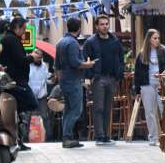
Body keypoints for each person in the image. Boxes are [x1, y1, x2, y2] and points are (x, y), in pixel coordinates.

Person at [85, 13, 126, 146]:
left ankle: (106, 135)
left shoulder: (115, 41)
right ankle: (100, 135)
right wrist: (90, 77)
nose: (105, 26)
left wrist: (119, 74)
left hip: (112, 78)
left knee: (108, 108)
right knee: (98, 107)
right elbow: (86, 59)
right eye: (102, 24)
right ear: (97, 26)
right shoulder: (91, 42)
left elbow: (121, 58)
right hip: (98, 78)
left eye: (107, 24)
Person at [0, 16, 39, 150]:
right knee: (31, 103)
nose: (24, 32)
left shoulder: (8, 39)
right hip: (16, 82)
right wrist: (32, 57)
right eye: (23, 29)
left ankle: (18, 139)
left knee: (17, 110)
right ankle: (16, 136)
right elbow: (20, 61)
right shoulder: (11, 40)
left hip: (13, 81)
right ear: (17, 27)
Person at [56, 17, 94, 148]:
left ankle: (66, 136)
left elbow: (57, 65)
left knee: (68, 110)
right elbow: (76, 63)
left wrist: (60, 80)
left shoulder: (60, 42)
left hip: (64, 80)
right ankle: (67, 137)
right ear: (79, 28)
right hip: (73, 80)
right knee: (76, 110)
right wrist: (89, 64)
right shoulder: (72, 43)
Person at [134, 28, 165, 146]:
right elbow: (137, 73)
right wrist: (137, 91)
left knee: (163, 109)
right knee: (149, 111)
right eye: (154, 38)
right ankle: (153, 137)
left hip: (162, 84)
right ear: (149, 39)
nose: (157, 40)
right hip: (147, 84)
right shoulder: (142, 54)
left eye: (158, 38)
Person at [24, 47, 52, 142]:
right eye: (36, 57)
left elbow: (47, 78)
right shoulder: (27, 65)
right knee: (26, 118)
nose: (38, 59)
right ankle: (24, 138)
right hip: (29, 95)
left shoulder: (44, 66)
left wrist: (52, 78)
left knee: (45, 116)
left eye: (40, 58)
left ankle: (50, 138)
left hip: (41, 95)